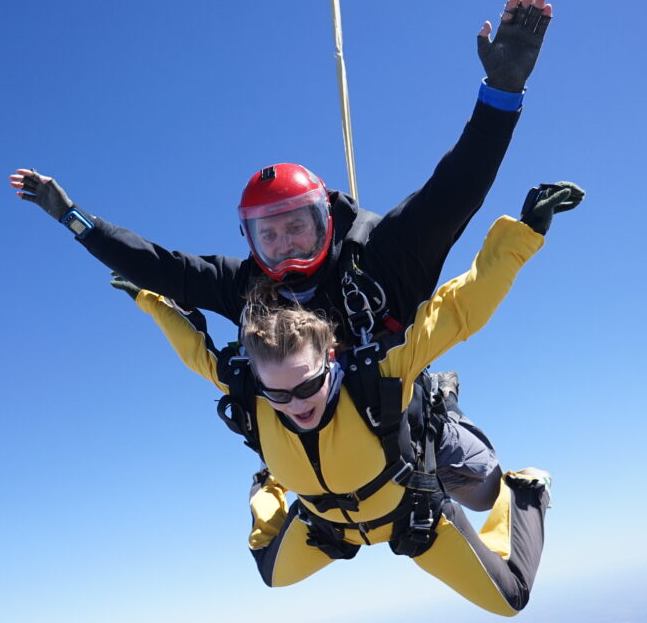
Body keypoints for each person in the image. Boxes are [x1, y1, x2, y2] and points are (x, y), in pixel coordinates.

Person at [110, 182, 584, 616]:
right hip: (327, 527)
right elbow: (193, 348)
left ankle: (526, 488)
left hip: (412, 517)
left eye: (307, 386)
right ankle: (268, 483)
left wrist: (523, 233)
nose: (295, 404)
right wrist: (149, 298)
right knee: (270, 572)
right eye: (277, 393)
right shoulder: (248, 386)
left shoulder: (375, 370)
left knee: (508, 589)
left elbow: (463, 306)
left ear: (331, 361)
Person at [10, 0, 555, 348]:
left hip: (404, 437)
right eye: (269, 236)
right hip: (312, 465)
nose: (288, 245)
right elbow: (159, 266)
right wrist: (72, 216)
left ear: (326, 219)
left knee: (468, 475)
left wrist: (503, 91)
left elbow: (456, 190)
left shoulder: (385, 254)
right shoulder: (245, 286)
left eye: (297, 225)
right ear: (250, 242)